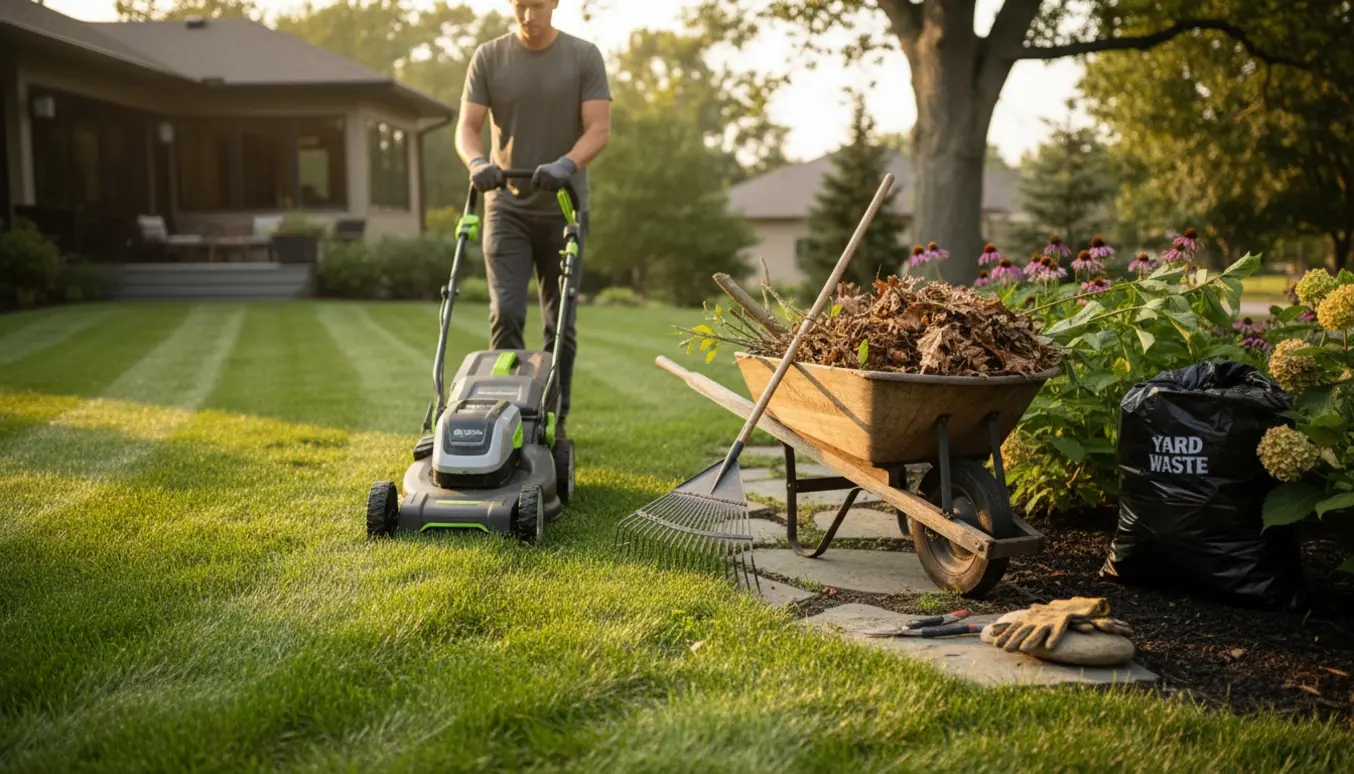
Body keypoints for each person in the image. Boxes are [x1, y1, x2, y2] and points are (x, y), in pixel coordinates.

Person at [455, 0, 611, 444]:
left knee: (558, 321)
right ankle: (502, 416)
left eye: (537, 5)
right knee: (505, 311)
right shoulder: (489, 56)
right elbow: (467, 126)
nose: (529, 15)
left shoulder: (583, 56)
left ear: (555, 3)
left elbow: (599, 128)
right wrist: (477, 161)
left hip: (564, 207)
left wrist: (567, 163)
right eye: (521, 5)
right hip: (506, 206)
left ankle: (551, 420)